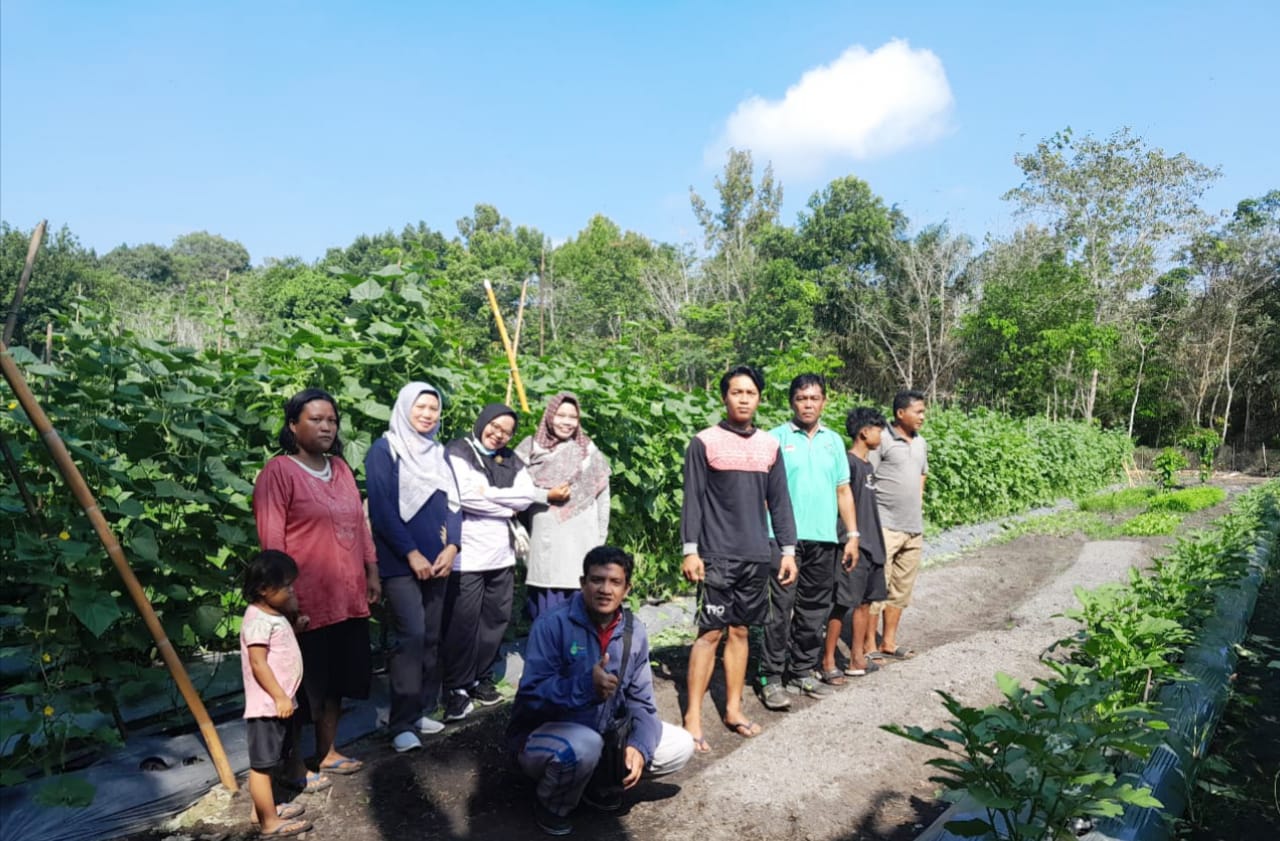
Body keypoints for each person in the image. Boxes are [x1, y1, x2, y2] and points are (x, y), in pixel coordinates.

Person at [507, 545, 695, 836]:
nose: (605, 589)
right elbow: (531, 697)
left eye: (615, 582)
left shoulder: (634, 631)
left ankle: (598, 786)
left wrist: (639, 748)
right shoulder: (552, 625)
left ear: (627, 588)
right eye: (597, 580)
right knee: (583, 745)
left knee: (681, 745)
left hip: (604, 736)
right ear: (583, 583)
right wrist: (584, 687)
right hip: (544, 738)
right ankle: (552, 804)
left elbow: (642, 703)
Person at [254, 388, 379, 779]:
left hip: (346, 597)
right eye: (316, 419)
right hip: (305, 603)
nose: (326, 426)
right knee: (299, 687)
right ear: (293, 425)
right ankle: (292, 764)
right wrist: (283, 602)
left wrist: (371, 571)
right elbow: (272, 543)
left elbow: (359, 524)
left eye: (331, 420)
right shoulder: (279, 473)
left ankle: (327, 751)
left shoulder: (340, 469)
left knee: (336, 682)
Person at [680, 365, 797, 752]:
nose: (744, 398)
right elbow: (693, 499)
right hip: (716, 554)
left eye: (751, 393)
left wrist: (787, 549)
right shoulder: (704, 442)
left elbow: (780, 501)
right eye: (736, 392)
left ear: (759, 398)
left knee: (742, 631)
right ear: (724, 397)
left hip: (754, 554)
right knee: (710, 633)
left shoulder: (769, 446)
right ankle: (692, 717)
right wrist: (690, 549)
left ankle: (733, 708)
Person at [441, 403, 570, 722]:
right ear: (482, 421)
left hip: (502, 553)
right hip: (467, 556)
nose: (498, 434)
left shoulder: (511, 458)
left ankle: (481, 679)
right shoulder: (458, 450)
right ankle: (456, 687)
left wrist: (490, 495)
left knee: (495, 619)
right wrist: (504, 504)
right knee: (463, 622)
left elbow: (525, 497)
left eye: (507, 431)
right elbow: (465, 497)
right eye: (494, 426)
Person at [365, 381, 462, 753]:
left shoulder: (438, 453)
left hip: (438, 561)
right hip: (401, 563)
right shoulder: (385, 449)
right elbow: (383, 510)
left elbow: (455, 503)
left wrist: (452, 545)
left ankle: (420, 710)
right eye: (420, 407)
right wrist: (411, 554)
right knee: (412, 637)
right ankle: (401, 723)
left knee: (433, 638)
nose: (427, 414)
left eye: (433, 409)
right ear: (405, 408)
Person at [758, 374, 859, 707]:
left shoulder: (833, 442)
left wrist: (852, 535)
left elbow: (843, 490)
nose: (808, 404)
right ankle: (771, 677)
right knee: (779, 609)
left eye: (814, 398)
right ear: (792, 402)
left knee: (814, 608)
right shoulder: (775, 439)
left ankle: (801, 671)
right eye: (802, 398)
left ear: (824, 402)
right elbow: (762, 493)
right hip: (782, 539)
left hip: (824, 538)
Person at [515, 392, 612, 623]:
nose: (567, 421)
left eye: (573, 416)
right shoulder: (529, 448)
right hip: (547, 545)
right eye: (561, 415)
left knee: (583, 615)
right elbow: (514, 492)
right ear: (549, 415)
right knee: (548, 616)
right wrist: (545, 495)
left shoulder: (588, 450)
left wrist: (600, 539)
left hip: (583, 542)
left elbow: (603, 496)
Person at [240, 550, 313, 838]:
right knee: (262, 766)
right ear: (263, 589)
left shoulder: (272, 615)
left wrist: (295, 628)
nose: (292, 591)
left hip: (279, 703)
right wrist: (280, 696)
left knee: (270, 761)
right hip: (268, 705)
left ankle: (261, 811)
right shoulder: (257, 620)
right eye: (287, 586)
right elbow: (258, 663)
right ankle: (269, 822)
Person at [821, 408, 889, 680]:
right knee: (842, 603)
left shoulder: (868, 465)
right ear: (864, 432)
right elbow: (838, 504)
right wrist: (848, 539)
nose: (881, 434)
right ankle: (827, 661)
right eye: (878, 429)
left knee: (864, 603)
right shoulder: (847, 464)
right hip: (853, 547)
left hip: (873, 544)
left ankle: (857, 658)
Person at [867, 390, 928, 661]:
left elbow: (922, 475)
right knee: (877, 587)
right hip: (885, 526)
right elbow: (866, 476)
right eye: (918, 411)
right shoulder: (882, 441)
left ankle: (888, 642)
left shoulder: (921, 443)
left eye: (924, 412)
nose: (923, 417)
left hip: (913, 527)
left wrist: (918, 505)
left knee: (901, 589)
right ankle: (868, 645)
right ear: (900, 413)